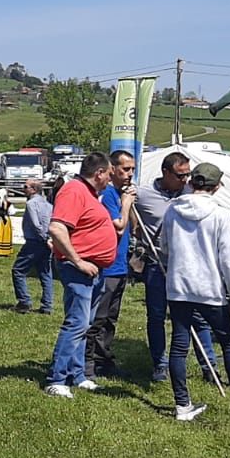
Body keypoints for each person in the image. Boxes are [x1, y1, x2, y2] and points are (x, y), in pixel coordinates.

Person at [161, 162, 230, 421]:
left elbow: (164, 246)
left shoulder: (172, 210)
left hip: (179, 287)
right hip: (209, 289)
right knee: (229, 342)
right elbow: (229, 259)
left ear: (191, 182)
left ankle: (182, 405)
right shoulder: (220, 215)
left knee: (178, 345)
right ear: (216, 186)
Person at [44, 153, 118, 398]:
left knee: (85, 323)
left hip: (93, 269)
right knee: (77, 323)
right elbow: (57, 227)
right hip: (78, 269)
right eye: (109, 174)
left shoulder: (88, 194)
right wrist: (78, 260)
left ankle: (77, 374)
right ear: (98, 173)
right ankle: (57, 378)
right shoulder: (74, 191)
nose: (111, 179)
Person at [133, 151, 194, 381]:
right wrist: (135, 227)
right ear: (165, 172)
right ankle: (160, 363)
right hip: (156, 265)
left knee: (190, 316)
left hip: (185, 266)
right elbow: (125, 202)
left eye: (187, 174)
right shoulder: (144, 194)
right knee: (156, 316)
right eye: (180, 175)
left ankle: (202, 363)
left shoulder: (191, 193)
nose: (185, 180)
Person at [86, 149, 137, 380]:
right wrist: (126, 203)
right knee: (98, 318)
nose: (129, 174)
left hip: (121, 266)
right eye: (126, 169)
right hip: (107, 266)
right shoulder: (108, 196)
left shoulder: (121, 194)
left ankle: (104, 358)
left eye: (133, 170)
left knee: (110, 318)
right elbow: (118, 226)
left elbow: (132, 226)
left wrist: (130, 202)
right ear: (113, 169)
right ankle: (88, 364)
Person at [11, 177, 55, 315]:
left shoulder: (31, 204)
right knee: (46, 273)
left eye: (25, 186)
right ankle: (47, 305)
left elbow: (36, 225)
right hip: (46, 242)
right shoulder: (48, 205)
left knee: (18, 270)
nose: (23, 189)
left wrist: (44, 238)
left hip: (35, 242)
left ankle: (24, 301)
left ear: (33, 189)